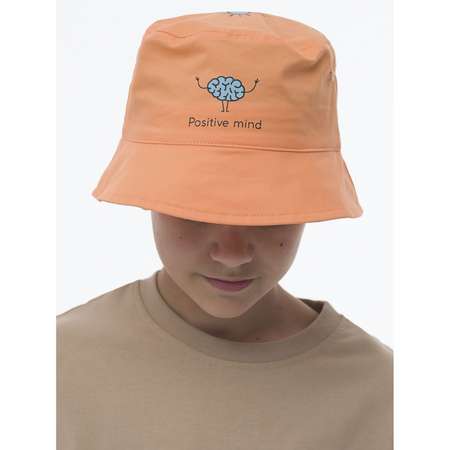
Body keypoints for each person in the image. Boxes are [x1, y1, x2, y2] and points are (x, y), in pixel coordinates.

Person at [57, 11, 393, 450]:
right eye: (194, 207)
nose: (232, 253)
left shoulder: (383, 393)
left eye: (268, 209)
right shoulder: (56, 366)